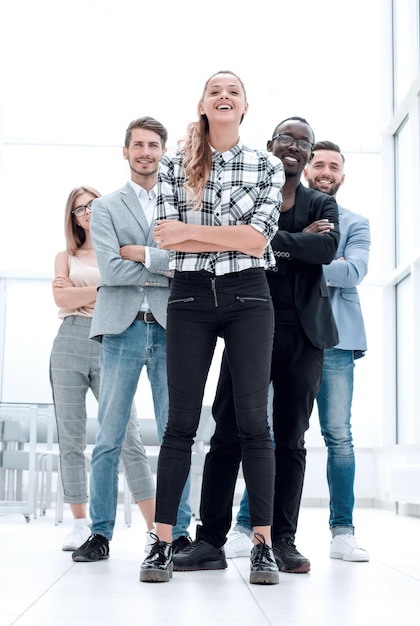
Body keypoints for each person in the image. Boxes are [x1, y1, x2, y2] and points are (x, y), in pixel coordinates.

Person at [139, 70, 285, 585]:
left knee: (252, 423)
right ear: (202, 104)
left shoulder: (266, 164)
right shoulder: (176, 164)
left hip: (249, 296)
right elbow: (167, 240)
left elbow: (256, 241)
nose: (224, 96)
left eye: (234, 91)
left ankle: (263, 546)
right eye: (214, 90)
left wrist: (191, 232)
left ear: (245, 106)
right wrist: (220, 237)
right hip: (190, 297)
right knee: (180, 424)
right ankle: (160, 544)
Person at [187, 117, 340, 575]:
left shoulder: (321, 202)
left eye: (303, 142)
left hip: (304, 335)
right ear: (271, 145)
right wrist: (290, 241)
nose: (294, 146)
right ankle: (210, 540)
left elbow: (324, 252)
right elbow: (238, 242)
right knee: (227, 434)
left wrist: (264, 240)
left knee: (290, 440)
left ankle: (282, 542)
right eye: (286, 139)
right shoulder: (249, 196)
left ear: (309, 156)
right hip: (247, 326)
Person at [72, 116, 192, 563]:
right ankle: (100, 532)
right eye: (137, 144)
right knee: (109, 437)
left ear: (163, 151)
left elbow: (189, 265)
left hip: (170, 328)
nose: (145, 151)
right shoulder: (104, 208)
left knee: (174, 433)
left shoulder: (181, 202)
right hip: (120, 329)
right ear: (125, 152)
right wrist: (163, 262)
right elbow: (112, 270)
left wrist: (140, 254)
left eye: (153, 144)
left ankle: (178, 531)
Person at [49, 186, 152, 551]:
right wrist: (107, 285)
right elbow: (61, 299)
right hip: (70, 341)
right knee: (71, 437)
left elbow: (132, 280)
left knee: (128, 438)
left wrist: (88, 288)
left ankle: (154, 526)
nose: (87, 213)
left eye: (92, 204)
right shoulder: (66, 255)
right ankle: (80, 523)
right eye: (79, 209)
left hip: (111, 337)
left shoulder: (115, 248)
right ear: (73, 218)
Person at [304, 140, 370, 561]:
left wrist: (299, 256)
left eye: (334, 166)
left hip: (337, 341)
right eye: (319, 164)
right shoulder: (284, 213)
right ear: (307, 170)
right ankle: (249, 525)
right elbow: (269, 261)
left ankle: (342, 531)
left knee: (339, 436)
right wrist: (324, 260)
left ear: (342, 175)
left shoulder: (356, 222)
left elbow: (354, 271)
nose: (326, 171)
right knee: (270, 435)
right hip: (288, 337)